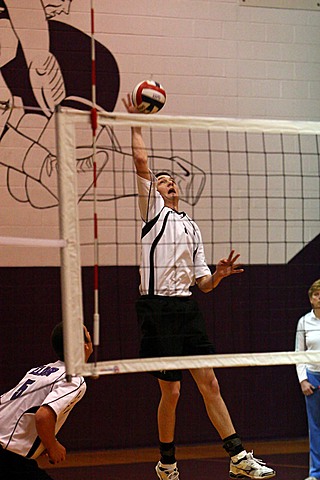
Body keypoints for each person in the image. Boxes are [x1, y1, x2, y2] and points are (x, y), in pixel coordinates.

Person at [122, 94, 276, 480]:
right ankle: (167, 463)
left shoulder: (192, 227)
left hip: (186, 307)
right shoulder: (152, 213)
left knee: (210, 382)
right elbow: (141, 162)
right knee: (171, 393)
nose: (169, 183)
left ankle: (238, 457)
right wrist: (135, 124)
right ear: (154, 193)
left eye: (172, 180)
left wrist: (219, 275)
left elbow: (202, 284)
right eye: (162, 181)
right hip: (156, 310)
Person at [0, 322, 93, 480]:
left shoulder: (37, 371)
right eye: (89, 335)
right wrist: (52, 446)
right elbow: (43, 416)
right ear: (84, 346)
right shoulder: (74, 379)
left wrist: (43, 441)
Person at [295, 279, 320, 480]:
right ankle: (315, 473)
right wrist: (303, 380)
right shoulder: (304, 322)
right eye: (316, 295)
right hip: (313, 377)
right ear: (311, 298)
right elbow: (298, 354)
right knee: (315, 428)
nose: (319, 298)